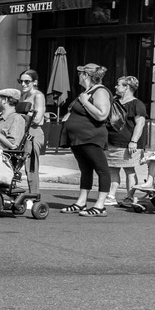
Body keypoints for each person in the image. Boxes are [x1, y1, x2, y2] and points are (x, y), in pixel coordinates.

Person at [58, 63, 114, 216]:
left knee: (102, 169)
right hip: (79, 138)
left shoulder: (100, 91)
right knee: (85, 169)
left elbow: (102, 114)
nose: (78, 77)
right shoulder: (87, 92)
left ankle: (100, 205)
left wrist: (84, 101)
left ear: (86, 75)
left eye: (80, 74)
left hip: (91, 137)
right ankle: (81, 202)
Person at [105, 75, 147, 208]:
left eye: (119, 85)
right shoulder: (114, 101)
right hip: (112, 142)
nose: (115, 87)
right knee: (112, 169)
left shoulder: (137, 104)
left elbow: (140, 124)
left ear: (127, 87)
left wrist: (133, 141)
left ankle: (129, 197)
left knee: (129, 170)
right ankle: (111, 196)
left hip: (128, 144)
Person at [16, 69, 48, 193]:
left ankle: (34, 196)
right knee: (17, 164)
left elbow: (38, 118)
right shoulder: (23, 95)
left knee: (31, 167)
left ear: (34, 82)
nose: (23, 84)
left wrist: (23, 112)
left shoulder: (38, 95)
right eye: (21, 81)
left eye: (27, 82)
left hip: (34, 133)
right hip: (23, 132)